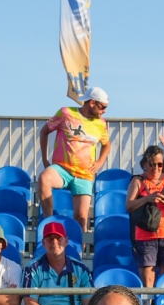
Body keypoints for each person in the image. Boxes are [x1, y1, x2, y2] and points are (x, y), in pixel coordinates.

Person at [39, 87, 111, 228]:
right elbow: (44, 132)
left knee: (81, 219)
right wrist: (45, 159)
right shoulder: (66, 113)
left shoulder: (101, 124)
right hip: (62, 169)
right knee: (44, 178)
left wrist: (100, 161)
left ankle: (80, 243)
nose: (104, 111)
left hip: (84, 174)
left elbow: (107, 145)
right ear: (92, 103)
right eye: (103, 107)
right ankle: (49, 224)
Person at [24, 219, 93, 305]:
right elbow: (30, 302)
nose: (54, 242)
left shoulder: (81, 269)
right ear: (43, 243)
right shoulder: (33, 268)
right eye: (50, 239)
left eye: (58, 238)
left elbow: (88, 303)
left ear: (66, 241)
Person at [127, 145, 164, 294]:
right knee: (147, 281)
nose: (156, 168)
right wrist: (147, 198)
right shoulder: (137, 181)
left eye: (160, 164)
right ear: (145, 164)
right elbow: (129, 206)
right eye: (152, 164)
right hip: (145, 236)